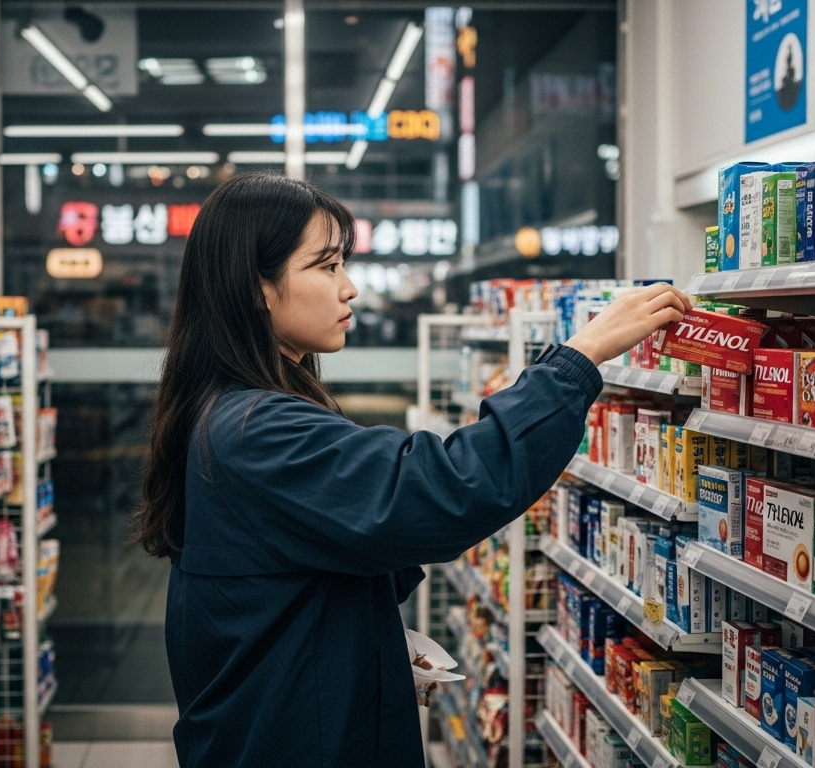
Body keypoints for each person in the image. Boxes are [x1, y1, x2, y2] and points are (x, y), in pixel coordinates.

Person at [134, 173, 692, 767]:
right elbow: (440, 489)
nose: (349, 288)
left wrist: (367, 649)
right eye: (325, 266)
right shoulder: (255, 431)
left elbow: (290, 579)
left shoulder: (233, 409)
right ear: (256, 288)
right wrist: (577, 361)